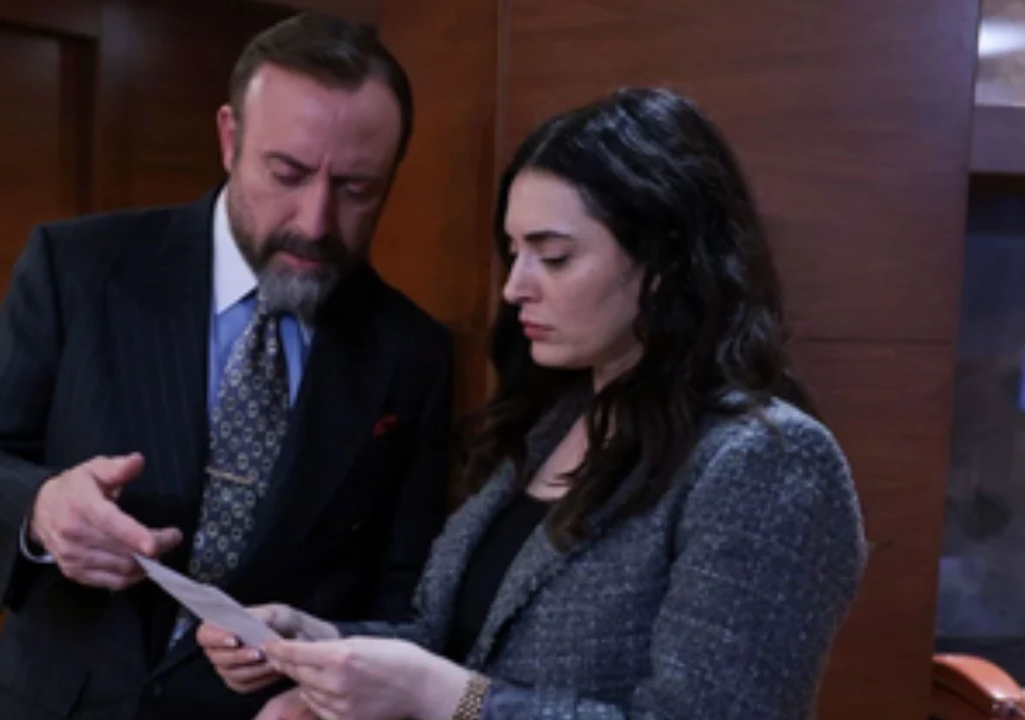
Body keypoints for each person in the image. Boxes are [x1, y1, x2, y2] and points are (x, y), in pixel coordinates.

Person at [198, 87, 869, 720]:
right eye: (515, 252)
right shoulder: (553, 420)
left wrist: (448, 697)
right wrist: (318, 642)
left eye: (554, 257)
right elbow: (451, 641)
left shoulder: (767, 460)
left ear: (663, 264)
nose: (515, 287)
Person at [0, 12, 454, 720]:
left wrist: (324, 683)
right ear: (229, 138)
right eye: (286, 174)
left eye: (356, 188)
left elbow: (404, 591)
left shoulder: (412, 352)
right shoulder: (81, 268)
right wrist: (40, 509)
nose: (315, 222)